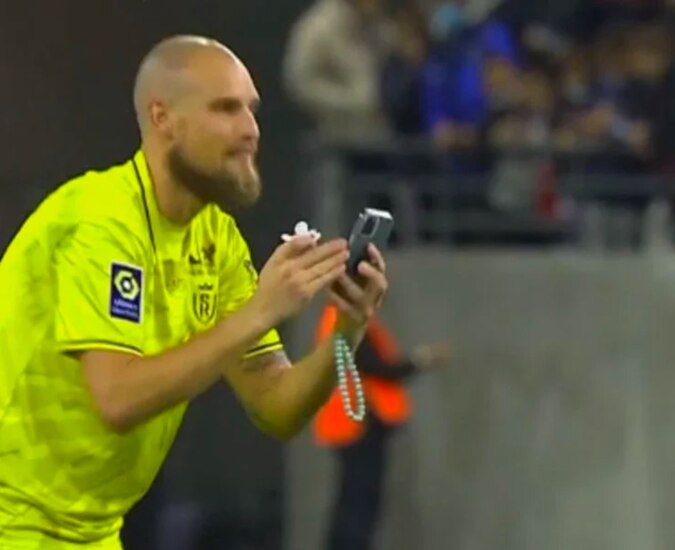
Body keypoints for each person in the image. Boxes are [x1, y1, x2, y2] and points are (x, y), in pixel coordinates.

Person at [0, 35, 388, 548]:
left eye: (251, 110)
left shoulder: (215, 238)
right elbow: (115, 398)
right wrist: (256, 313)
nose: (250, 130)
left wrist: (347, 328)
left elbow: (276, 406)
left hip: (88, 531)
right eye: (226, 109)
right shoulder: (101, 220)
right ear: (163, 118)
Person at [313, 305, 449, 550]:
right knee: (359, 503)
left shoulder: (345, 319)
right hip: (358, 427)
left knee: (353, 501)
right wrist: (423, 358)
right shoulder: (348, 321)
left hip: (353, 425)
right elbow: (379, 367)